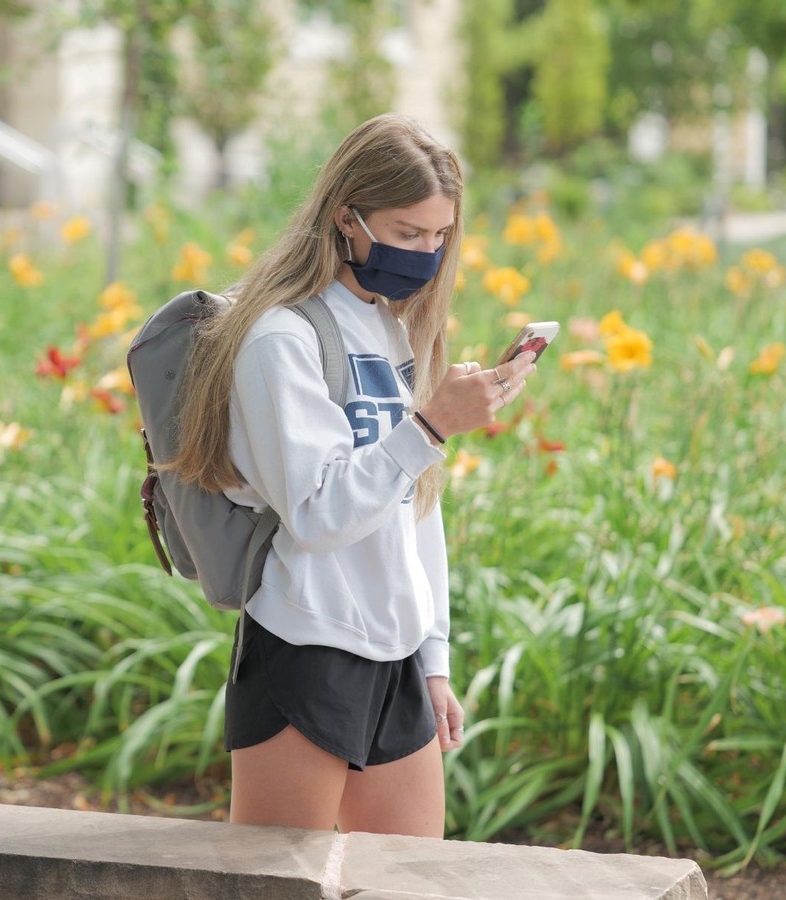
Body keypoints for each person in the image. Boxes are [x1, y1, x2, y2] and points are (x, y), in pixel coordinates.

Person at [168, 114, 539, 837]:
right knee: (279, 889)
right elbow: (317, 514)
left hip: (395, 652)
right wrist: (430, 424)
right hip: (306, 644)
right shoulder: (280, 337)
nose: (426, 254)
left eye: (439, 237)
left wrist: (433, 660)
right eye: (407, 233)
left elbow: (412, 508)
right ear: (347, 218)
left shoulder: (390, 325)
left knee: (408, 883)